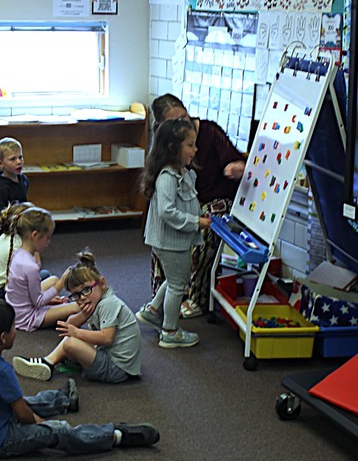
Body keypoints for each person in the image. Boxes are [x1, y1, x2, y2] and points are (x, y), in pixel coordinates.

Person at [0, 298, 160, 459]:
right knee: (58, 430)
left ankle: (62, 400)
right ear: (3, 338)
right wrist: (42, 426)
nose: (17, 331)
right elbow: (24, 415)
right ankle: (114, 435)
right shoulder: (1, 370)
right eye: (14, 327)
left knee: (25, 401)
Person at [151, 94, 246, 319]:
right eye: (176, 123)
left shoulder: (209, 133)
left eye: (184, 117)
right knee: (163, 232)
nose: (183, 125)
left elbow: (234, 160)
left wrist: (237, 167)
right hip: (189, 202)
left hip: (213, 201)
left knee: (205, 224)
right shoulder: (167, 147)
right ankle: (165, 295)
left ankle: (196, 296)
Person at [136, 118, 211, 348]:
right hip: (170, 241)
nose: (195, 149)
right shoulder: (168, 176)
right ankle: (170, 331)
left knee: (174, 279)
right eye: (190, 145)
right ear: (172, 147)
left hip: (174, 240)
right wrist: (195, 221)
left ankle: (153, 310)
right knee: (178, 285)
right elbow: (167, 212)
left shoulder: (180, 171)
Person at [13, 249, 141, 384]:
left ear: (102, 283)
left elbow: (107, 338)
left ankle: (49, 362)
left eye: (86, 290)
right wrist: (85, 315)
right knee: (71, 338)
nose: (83, 298)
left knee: (70, 342)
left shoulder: (108, 303)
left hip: (117, 369)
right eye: (76, 295)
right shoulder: (97, 301)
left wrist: (77, 333)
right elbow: (69, 326)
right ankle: (48, 361)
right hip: (110, 358)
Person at [4, 206, 78, 330]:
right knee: (77, 306)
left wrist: (50, 297)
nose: (49, 242)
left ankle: (57, 306)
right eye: (47, 237)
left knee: (52, 279)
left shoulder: (18, 253)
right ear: (34, 235)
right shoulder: (30, 266)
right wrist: (61, 283)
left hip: (16, 308)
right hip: (27, 317)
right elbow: (38, 302)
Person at [0, 201, 57, 298]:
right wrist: (35, 248)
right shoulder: (20, 243)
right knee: (47, 276)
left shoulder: (9, 236)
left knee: (44, 276)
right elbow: (36, 267)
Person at [0, 136, 29, 241]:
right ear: (1, 163)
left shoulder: (23, 180)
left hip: (20, 226)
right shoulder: (0, 188)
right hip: (3, 232)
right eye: (13, 159)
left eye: (20, 157)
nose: (19, 162)